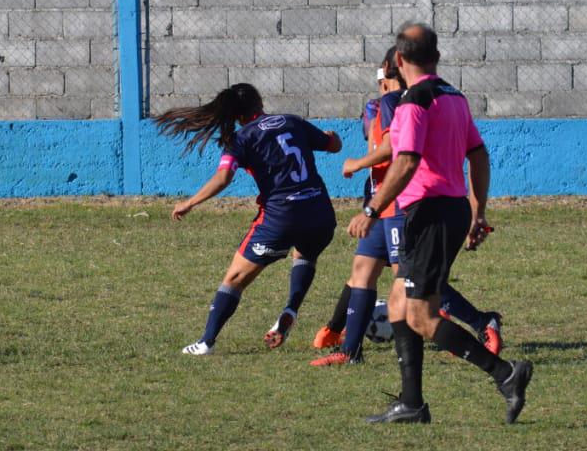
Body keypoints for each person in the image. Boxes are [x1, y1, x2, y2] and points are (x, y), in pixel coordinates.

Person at [350, 22, 532, 424]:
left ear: (399, 60)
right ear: (436, 56)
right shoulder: (454, 96)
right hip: (449, 210)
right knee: (399, 302)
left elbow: (407, 161)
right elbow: (479, 154)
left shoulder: (414, 102)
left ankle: (506, 374)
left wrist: (371, 209)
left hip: (429, 214)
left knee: (421, 316)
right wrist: (477, 209)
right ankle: (412, 404)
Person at [311, 48, 503, 367]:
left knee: (412, 282)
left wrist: (357, 163)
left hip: (398, 205)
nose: (379, 80)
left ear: (391, 69)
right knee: (363, 270)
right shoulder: (412, 100)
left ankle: (481, 323)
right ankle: (350, 351)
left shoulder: (394, 102)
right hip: (382, 204)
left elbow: (392, 150)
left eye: (381, 73)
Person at [157, 83, 342, 356]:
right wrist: (332, 136)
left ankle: (206, 342)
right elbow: (334, 145)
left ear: (235, 114)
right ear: (260, 102)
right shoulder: (292, 122)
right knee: (305, 255)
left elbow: (223, 178)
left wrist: (190, 202)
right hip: (321, 214)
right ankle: (291, 307)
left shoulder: (241, 138)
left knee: (233, 279)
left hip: (281, 218)